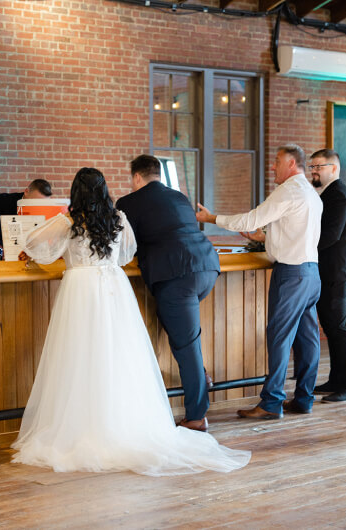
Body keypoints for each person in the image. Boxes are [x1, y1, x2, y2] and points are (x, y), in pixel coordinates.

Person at [12, 167, 249, 476]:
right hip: (114, 288)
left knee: (80, 357)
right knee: (118, 356)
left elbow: (32, 245)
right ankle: (122, 422)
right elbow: (128, 254)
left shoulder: (67, 222)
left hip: (80, 291)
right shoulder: (118, 220)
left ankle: (83, 423)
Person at [196, 144, 322, 419]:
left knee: (279, 337)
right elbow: (295, 231)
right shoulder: (311, 194)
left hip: (291, 274)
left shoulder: (288, 191)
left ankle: (271, 403)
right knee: (307, 338)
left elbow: (253, 218)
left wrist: (210, 217)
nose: (273, 167)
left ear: (292, 163)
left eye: (277, 161)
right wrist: (263, 238)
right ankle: (303, 399)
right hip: (311, 273)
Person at [115, 155, 220, 432]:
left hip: (177, 274)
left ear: (136, 177)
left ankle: (196, 416)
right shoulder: (179, 197)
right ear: (157, 174)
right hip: (207, 267)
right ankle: (200, 373)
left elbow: (125, 246)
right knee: (182, 334)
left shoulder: (128, 203)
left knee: (186, 345)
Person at [308, 149, 346, 402]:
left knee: (338, 328)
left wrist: (302, 245)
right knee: (331, 326)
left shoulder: (338, 195)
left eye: (319, 166)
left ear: (334, 168)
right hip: (329, 269)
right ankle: (337, 380)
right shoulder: (328, 194)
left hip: (336, 270)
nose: (314, 171)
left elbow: (331, 235)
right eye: (312, 166)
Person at [0, 179, 52, 245]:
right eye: (35, 202)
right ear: (26, 192)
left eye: (42, 204)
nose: (37, 207)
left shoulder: (45, 210)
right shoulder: (1, 201)